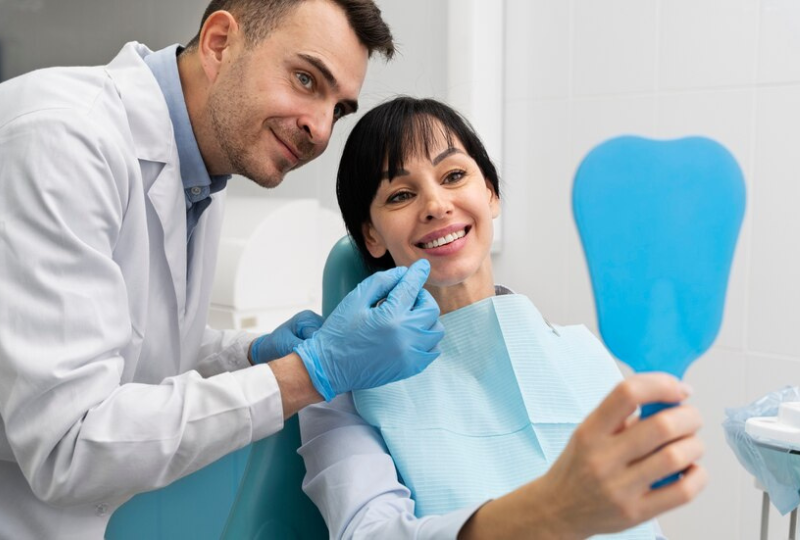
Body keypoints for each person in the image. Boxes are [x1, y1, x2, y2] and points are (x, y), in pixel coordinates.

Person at [0, 2, 445, 538]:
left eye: (339, 109)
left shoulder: (201, 173)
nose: (321, 129)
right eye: (306, 79)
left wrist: (249, 354)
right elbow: (67, 444)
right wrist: (310, 373)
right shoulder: (63, 139)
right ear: (219, 43)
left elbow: (127, 342)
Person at [299, 97, 708, 539]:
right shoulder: (338, 393)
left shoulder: (583, 353)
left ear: (490, 194)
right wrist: (555, 508)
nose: (436, 204)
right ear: (371, 235)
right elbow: (370, 533)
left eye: (453, 175)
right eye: (400, 195)